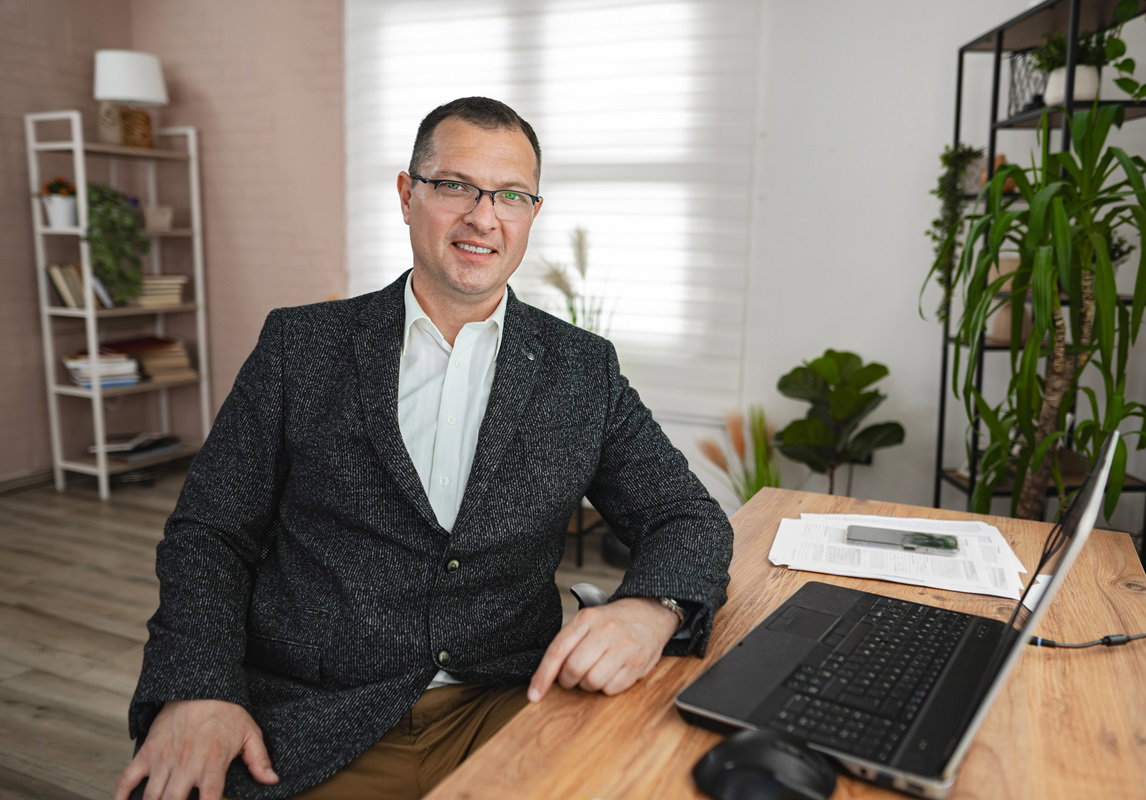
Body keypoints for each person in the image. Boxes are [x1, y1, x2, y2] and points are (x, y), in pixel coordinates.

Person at [115, 97, 733, 800]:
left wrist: (650, 609)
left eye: (510, 195)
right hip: (315, 710)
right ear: (408, 196)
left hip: (507, 702)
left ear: (531, 213)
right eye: (454, 186)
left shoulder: (581, 369)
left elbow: (686, 516)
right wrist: (198, 689)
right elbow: (209, 533)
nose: (483, 216)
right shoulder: (300, 348)